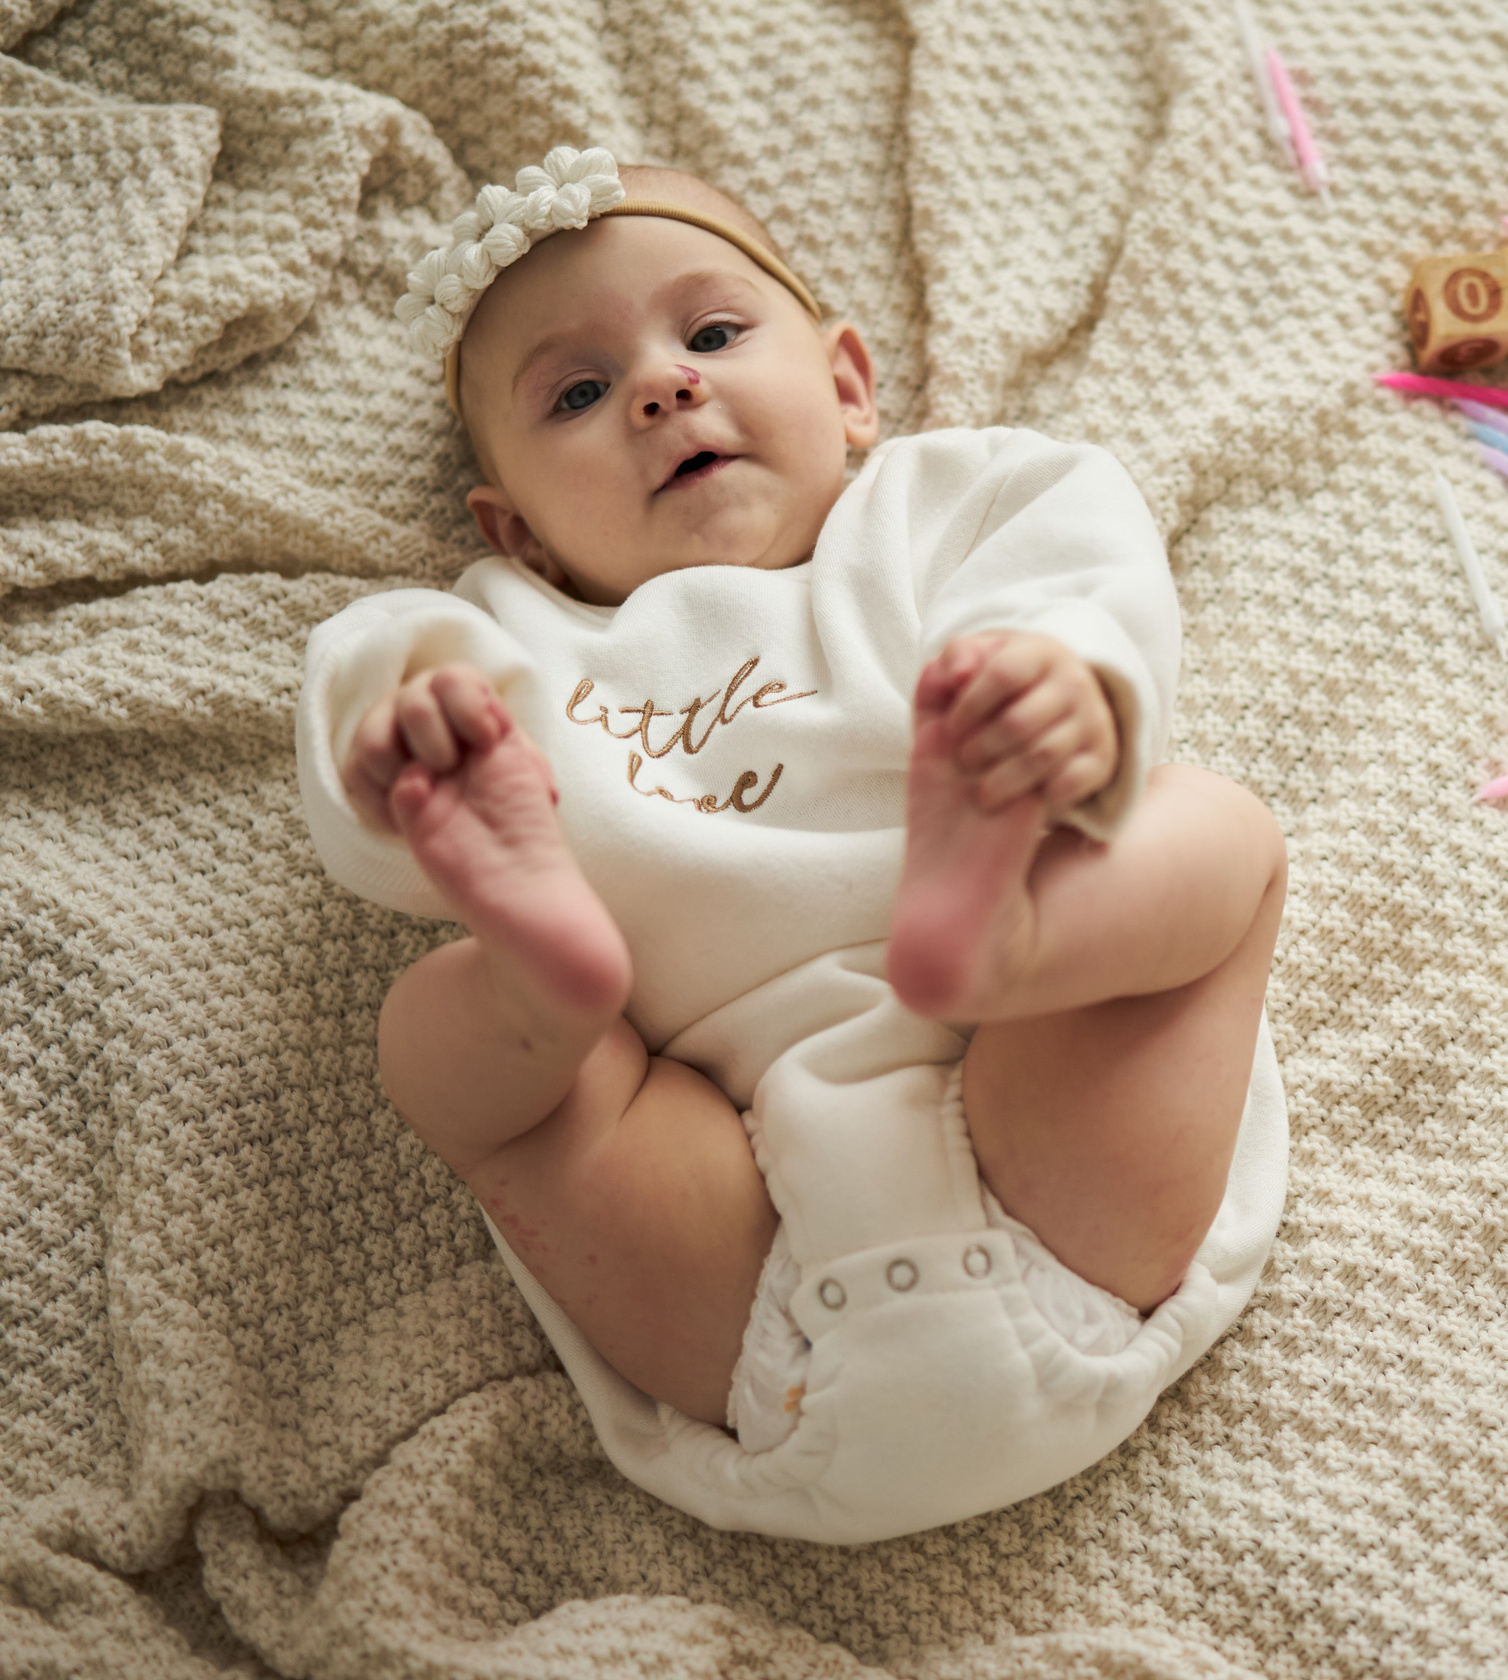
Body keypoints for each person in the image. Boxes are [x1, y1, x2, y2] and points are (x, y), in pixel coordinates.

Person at [295, 148, 1289, 1543]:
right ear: (512, 532)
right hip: (735, 1233)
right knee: (445, 1037)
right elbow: (374, 682)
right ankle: (546, 979)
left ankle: (997, 928)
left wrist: (1060, 682)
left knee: (1209, 828)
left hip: (1035, 1114)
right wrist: (404, 734)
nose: (662, 386)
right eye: (577, 395)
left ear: (846, 385)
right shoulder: (511, 641)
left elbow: (1088, 579)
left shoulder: (951, 509)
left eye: (710, 334)